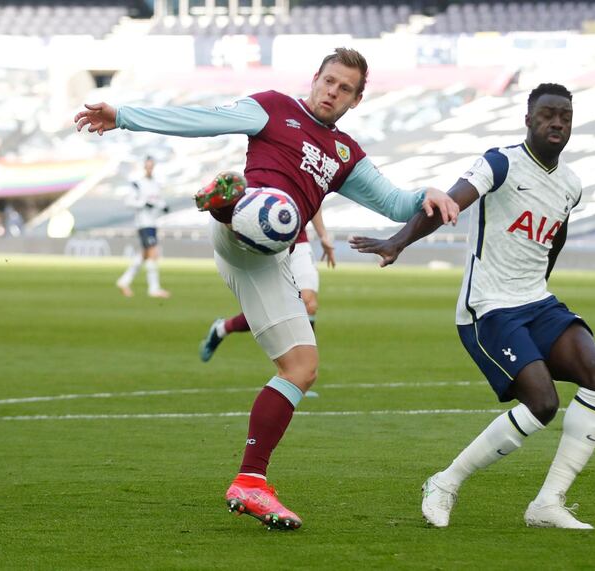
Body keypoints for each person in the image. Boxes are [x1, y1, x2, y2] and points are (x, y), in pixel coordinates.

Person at [75, 47, 458, 531]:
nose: (332, 92)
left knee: (302, 368)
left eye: (345, 89)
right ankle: (227, 202)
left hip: (268, 262)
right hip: (242, 231)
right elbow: (201, 119)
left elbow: (394, 202)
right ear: (314, 78)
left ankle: (250, 481)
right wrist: (125, 116)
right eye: (329, 81)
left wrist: (428, 193)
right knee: (273, 209)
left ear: (357, 100)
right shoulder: (274, 107)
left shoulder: (347, 156)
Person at [350, 83, 595, 530]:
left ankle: (547, 504)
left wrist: (540, 286)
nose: (557, 123)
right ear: (529, 120)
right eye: (548, 114)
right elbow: (446, 205)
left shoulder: (571, 184)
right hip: (489, 307)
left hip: (537, 301)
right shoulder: (501, 162)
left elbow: (557, 238)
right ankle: (445, 482)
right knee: (543, 403)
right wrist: (397, 243)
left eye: (565, 117)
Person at [199, 208, 336, 362]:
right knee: (269, 310)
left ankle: (302, 368)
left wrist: (323, 234)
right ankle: (222, 329)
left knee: (308, 303)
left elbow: (314, 197)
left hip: (299, 242)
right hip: (266, 243)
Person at [115, 155, 171, 298]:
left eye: (151, 166)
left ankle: (124, 280)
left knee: (144, 255)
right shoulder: (137, 184)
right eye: (147, 166)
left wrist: (164, 207)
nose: (149, 168)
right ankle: (154, 288)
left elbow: (159, 201)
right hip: (143, 223)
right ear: (144, 167)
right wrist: (142, 204)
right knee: (153, 252)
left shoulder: (156, 184)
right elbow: (128, 201)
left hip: (153, 223)